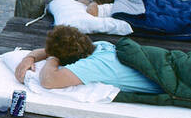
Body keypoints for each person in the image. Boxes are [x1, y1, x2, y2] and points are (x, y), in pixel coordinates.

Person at [12, 24, 161, 93]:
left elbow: (48, 81)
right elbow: (44, 51)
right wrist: (29, 57)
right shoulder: (100, 46)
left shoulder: (93, 65)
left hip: (168, 83)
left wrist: (53, 59)